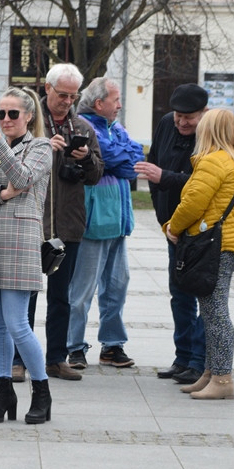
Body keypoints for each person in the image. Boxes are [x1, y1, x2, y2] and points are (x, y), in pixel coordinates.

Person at [0, 87, 54, 424]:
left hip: (20, 241)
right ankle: (4, 392)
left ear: (29, 116)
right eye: (0, 114)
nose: (4, 120)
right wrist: (2, 193)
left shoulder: (40, 147)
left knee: (18, 323)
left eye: (12, 114)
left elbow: (24, 177)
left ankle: (41, 391)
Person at [164, 109, 234, 400]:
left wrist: (173, 227)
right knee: (213, 311)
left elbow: (192, 203)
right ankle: (210, 374)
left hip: (216, 246)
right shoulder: (231, 160)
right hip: (225, 244)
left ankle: (222, 378)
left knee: (215, 314)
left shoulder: (212, 162)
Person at [66, 78, 144, 369]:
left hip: (119, 222)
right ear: (100, 104)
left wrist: (120, 159)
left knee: (117, 287)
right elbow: (109, 156)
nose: (120, 105)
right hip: (95, 222)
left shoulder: (114, 127)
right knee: (82, 290)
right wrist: (118, 158)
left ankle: (112, 345)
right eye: (116, 100)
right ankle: (74, 346)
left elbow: (134, 158)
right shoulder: (85, 127)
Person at [134, 84, 209, 385]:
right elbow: (155, 166)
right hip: (173, 229)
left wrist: (165, 178)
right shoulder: (167, 124)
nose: (182, 123)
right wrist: (164, 217)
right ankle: (182, 358)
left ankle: (199, 361)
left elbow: (203, 181)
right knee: (179, 295)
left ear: (204, 113)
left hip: (203, 231)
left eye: (188, 117)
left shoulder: (211, 132)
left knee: (204, 295)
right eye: (178, 116)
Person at [33, 64, 102, 382]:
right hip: (31, 220)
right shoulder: (30, 122)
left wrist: (85, 158)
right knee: (26, 295)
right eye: (62, 95)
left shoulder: (84, 127)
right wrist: (44, 147)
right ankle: (21, 359)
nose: (67, 101)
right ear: (47, 88)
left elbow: (96, 175)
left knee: (61, 297)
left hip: (69, 224)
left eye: (73, 96)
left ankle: (56, 358)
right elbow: (7, 160)